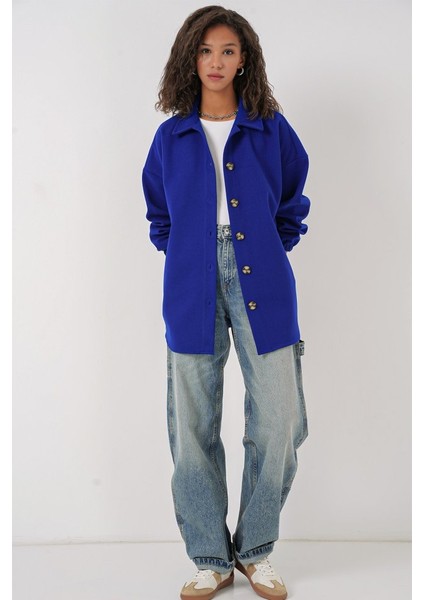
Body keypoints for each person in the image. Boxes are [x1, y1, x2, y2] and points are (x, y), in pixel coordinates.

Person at [142, 6, 310, 599]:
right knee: (192, 424)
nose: (216, 62)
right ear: (190, 58)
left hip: (264, 278)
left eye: (228, 51)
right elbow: (158, 213)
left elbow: (292, 199)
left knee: (280, 417)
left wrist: (268, 245)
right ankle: (210, 557)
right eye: (205, 50)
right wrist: (185, 254)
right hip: (190, 281)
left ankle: (255, 550)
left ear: (244, 60)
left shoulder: (270, 127)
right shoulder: (171, 136)